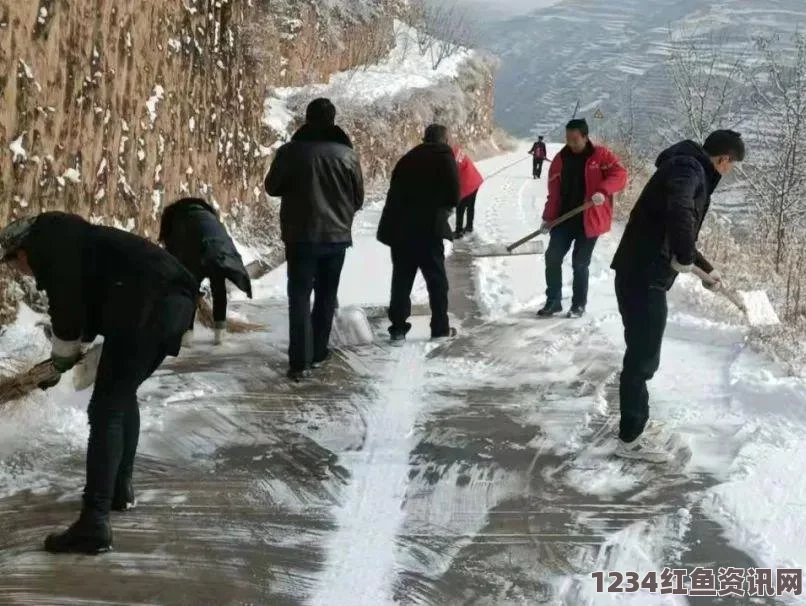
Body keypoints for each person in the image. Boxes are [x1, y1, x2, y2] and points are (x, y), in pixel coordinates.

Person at [0, 212, 197, 554]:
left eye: (16, 266)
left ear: (22, 253)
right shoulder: (73, 242)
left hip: (146, 306)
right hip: (170, 304)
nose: (23, 274)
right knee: (120, 396)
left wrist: (61, 358)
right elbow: (90, 304)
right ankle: (119, 489)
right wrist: (63, 359)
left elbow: (69, 310)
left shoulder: (52, 250)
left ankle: (94, 521)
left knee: (106, 409)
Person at [610, 130, 745, 462]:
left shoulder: (685, 164)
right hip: (644, 277)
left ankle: (635, 424)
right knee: (643, 358)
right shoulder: (688, 169)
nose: (730, 172)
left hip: (640, 273)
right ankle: (630, 439)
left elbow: (676, 230)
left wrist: (704, 268)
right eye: (733, 165)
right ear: (724, 159)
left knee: (640, 355)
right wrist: (684, 254)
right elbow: (681, 210)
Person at [265, 98, 364, 381]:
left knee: (298, 297)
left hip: (300, 237)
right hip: (336, 238)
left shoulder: (290, 152)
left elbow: (272, 188)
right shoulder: (348, 155)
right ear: (333, 119)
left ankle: (299, 362)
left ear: (306, 119)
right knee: (325, 295)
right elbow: (357, 199)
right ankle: (319, 352)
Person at [377, 124, 460, 341]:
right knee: (436, 281)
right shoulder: (444, 157)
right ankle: (440, 328)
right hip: (429, 230)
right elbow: (454, 195)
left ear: (424, 138)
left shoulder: (407, 158)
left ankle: (397, 328)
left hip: (401, 229)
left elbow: (393, 192)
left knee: (401, 280)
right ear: (444, 139)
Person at [537, 119, 627, 318]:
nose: (571, 143)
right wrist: (549, 218)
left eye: (575, 139)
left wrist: (604, 190)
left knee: (579, 262)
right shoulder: (560, 160)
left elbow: (620, 174)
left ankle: (578, 305)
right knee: (552, 257)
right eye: (568, 138)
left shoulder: (601, 155)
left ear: (586, 137)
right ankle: (553, 301)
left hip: (590, 220)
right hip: (563, 219)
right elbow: (554, 193)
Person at [158, 198, 252, 346]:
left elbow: (174, 247)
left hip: (197, 251)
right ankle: (220, 333)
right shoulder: (210, 217)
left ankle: (187, 334)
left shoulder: (179, 218)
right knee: (218, 286)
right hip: (219, 251)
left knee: (190, 288)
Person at [452, 145, 484, 239]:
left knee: (460, 207)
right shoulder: (456, 149)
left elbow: (451, 175)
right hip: (475, 179)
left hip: (467, 183)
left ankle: (458, 231)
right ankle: (469, 227)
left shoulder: (450, 158)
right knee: (470, 206)